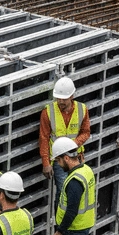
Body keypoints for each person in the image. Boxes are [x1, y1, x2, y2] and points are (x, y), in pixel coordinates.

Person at [39, 77, 90, 210]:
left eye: (64, 98)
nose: (60, 101)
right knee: (63, 191)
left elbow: (86, 132)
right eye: (58, 98)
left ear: (72, 96)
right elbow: (44, 138)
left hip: (76, 156)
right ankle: (61, 222)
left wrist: (72, 144)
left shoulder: (82, 109)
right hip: (59, 159)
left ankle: (74, 216)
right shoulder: (48, 112)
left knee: (78, 187)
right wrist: (46, 163)